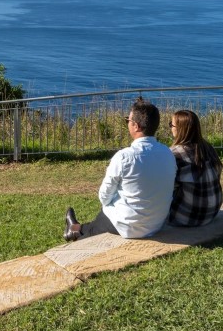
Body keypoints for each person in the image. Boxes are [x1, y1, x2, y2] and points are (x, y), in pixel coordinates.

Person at [64, 97, 176, 240]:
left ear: (135, 126)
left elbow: (104, 196)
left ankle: (75, 231)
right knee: (100, 221)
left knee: (99, 222)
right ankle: (75, 227)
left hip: (129, 225)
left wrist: (113, 202)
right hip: (157, 223)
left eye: (128, 121)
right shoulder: (168, 153)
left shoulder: (124, 157)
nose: (127, 124)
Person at [167, 109, 223, 227]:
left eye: (171, 125)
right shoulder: (207, 147)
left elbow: (167, 186)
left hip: (187, 216)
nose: (170, 128)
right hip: (212, 212)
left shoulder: (175, 153)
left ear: (179, 129)